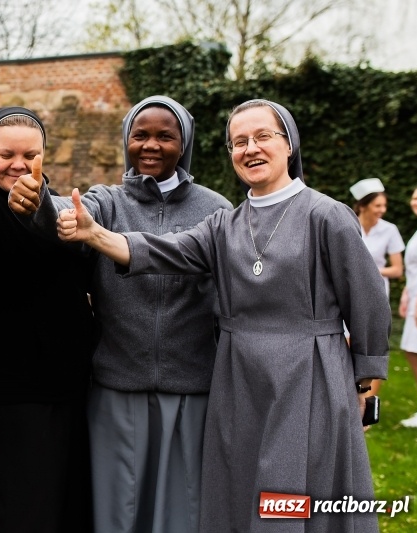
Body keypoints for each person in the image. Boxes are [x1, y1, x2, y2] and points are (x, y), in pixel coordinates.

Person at [53, 99, 391, 532]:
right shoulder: (224, 224)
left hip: (308, 375)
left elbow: (367, 303)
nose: (250, 149)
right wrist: (94, 233)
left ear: (289, 145)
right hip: (238, 379)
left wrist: (364, 383)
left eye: (262, 137)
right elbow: (161, 251)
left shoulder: (327, 216)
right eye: (238, 142)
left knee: (290, 495)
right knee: (239, 492)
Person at [10, 95, 232, 533]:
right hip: (117, 385)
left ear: (184, 143)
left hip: (191, 388)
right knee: (118, 512)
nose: (151, 145)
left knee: (183, 512)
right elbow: (69, 215)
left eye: (165, 136)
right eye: (140, 135)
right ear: (126, 141)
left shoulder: (216, 209)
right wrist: (38, 201)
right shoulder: (106, 201)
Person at [0, 107, 95, 532]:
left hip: (71, 383)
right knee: (22, 506)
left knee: (68, 501)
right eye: (7, 154)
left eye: (31, 154)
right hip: (12, 389)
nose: (19, 164)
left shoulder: (60, 206)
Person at [348, 177, 404, 396]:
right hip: (350, 292)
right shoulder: (347, 224)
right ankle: (349, 393)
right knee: (348, 340)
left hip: (377, 292)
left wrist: (368, 270)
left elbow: (397, 269)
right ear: (363, 205)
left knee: (373, 343)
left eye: (384, 205)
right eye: (377, 205)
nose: (383, 210)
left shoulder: (390, 230)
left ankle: (369, 399)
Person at [399, 182, 417, 428]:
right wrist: (407, 292)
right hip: (416, 294)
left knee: (416, 351)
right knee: (413, 351)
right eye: (415, 198)